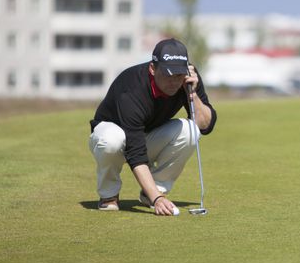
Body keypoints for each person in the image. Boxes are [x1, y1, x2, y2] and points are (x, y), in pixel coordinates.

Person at [88, 38, 217, 216]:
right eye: (167, 74)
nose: (173, 81)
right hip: (110, 136)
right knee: (112, 139)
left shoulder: (187, 81)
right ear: (152, 69)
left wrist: (192, 93)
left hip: (148, 136)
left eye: (178, 75)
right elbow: (135, 152)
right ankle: (109, 195)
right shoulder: (132, 88)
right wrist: (158, 198)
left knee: (190, 130)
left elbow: (205, 126)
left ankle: (154, 192)